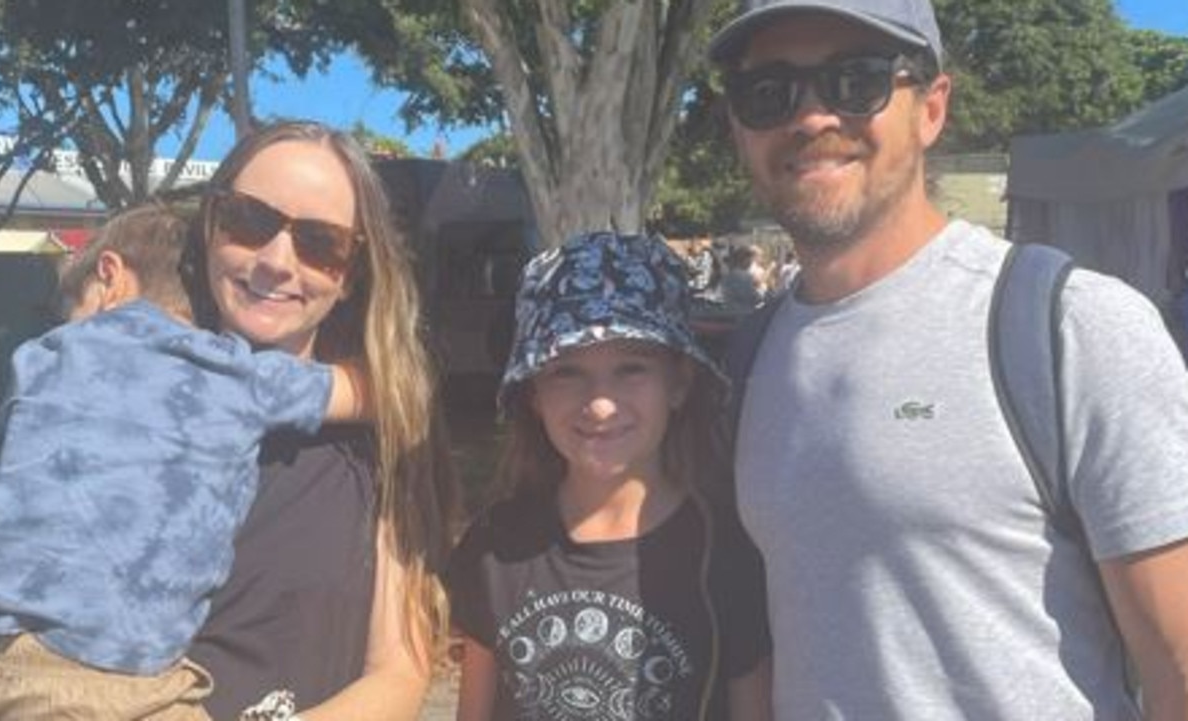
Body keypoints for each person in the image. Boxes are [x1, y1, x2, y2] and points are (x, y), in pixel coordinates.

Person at [711, 0, 1188, 719]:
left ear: (932, 108)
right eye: (768, 92)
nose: (810, 118)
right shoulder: (746, 361)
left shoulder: (1072, 328)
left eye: (856, 81)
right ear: (739, 130)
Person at [0, 121, 455, 721]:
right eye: (250, 220)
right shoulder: (113, 405)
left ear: (352, 271)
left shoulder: (379, 451)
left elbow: (398, 678)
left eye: (319, 243)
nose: (276, 260)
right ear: (210, 227)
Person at [0, 204, 374, 719]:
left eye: (69, 306)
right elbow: (368, 392)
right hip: (96, 671)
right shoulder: (227, 371)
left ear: (110, 276)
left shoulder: (45, 354)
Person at [445, 231, 770, 721]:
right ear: (533, 393)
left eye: (631, 369)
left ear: (678, 384)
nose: (599, 404)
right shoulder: (495, 546)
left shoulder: (727, 553)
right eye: (566, 372)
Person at [719, 244, 769, 309]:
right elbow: (754, 298)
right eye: (749, 259)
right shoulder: (744, 277)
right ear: (744, 260)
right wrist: (762, 291)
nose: (750, 262)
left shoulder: (727, 276)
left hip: (730, 311)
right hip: (743, 314)